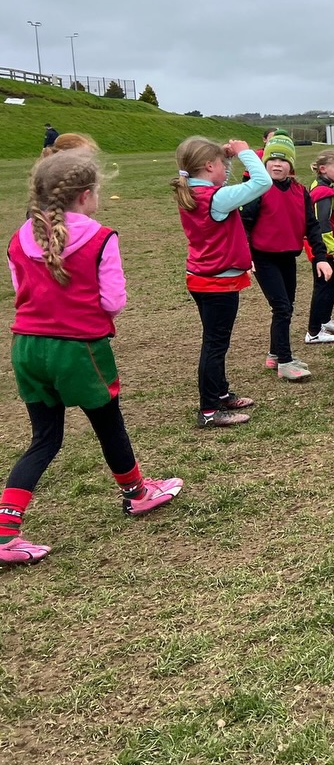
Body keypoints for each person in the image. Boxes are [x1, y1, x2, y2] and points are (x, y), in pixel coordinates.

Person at [2, 151, 184, 564]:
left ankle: (4, 530)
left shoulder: (19, 236)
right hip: (80, 349)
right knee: (108, 425)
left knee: (44, 439)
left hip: (26, 347)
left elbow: (20, 290)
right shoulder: (101, 238)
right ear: (86, 195)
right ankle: (136, 493)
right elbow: (113, 300)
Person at [173, 136, 272, 428]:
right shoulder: (215, 198)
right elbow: (262, 182)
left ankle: (220, 393)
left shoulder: (194, 192)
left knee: (216, 342)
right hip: (217, 284)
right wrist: (244, 152)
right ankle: (209, 410)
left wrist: (225, 157)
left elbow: (222, 181)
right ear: (208, 166)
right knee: (215, 345)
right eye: (221, 164)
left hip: (202, 277)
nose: (226, 169)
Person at [241, 135, 330, 382]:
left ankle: (274, 353)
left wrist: (321, 257)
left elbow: (312, 226)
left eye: (282, 160)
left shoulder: (300, 191)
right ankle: (285, 361)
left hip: (288, 257)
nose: (277, 164)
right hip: (263, 258)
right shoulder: (257, 190)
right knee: (281, 308)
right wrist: (246, 255)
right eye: (272, 159)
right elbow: (244, 224)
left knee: (286, 306)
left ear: (291, 165)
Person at [304, 149, 334, 345]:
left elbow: (321, 212)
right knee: (323, 285)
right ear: (323, 169)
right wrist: (332, 250)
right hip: (322, 247)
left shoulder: (321, 186)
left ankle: (324, 319)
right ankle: (314, 331)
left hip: (320, 245)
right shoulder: (323, 192)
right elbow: (321, 223)